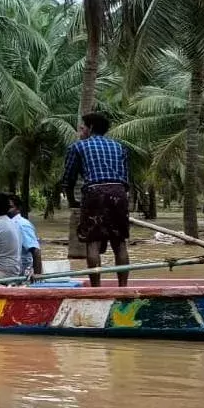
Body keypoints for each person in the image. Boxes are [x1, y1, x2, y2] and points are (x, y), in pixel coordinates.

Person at [63, 111, 131, 287]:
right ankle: (123, 287)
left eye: (83, 127)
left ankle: (96, 288)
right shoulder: (120, 147)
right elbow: (125, 178)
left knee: (93, 241)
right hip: (119, 192)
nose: (81, 130)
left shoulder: (78, 147)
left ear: (91, 128)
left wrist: (72, 201)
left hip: (95, 192)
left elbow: (68, 179)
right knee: (119, 242)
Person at [8, 194, 43, 278]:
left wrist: (37, 275)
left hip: (22, 272)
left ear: (18, 208)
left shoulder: (22, 225)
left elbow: (36, 251)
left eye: (10, 207)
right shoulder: (8, 224)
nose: (6, 210)